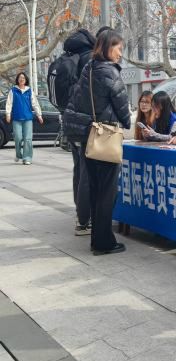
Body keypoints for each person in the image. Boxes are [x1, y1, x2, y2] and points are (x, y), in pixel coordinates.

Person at [63, 28, 131, 255]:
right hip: (105, 138)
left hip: (88, 137)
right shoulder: (110, 71)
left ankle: (96, 240)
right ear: (108, 47)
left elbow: (77, 100)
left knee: (94, 189)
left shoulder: (88, 69)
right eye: (119, 48)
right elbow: (122, 106)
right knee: (107, 192)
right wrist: (126, 122)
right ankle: (104, 242)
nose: (120, 53)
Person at [63, 28, 97, 236]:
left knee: (79, 170)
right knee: (87, 172)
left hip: (70, 121)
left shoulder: (70, 57)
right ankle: (84, 220)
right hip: (85, 124)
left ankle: (80, 213)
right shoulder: (89, 59)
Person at [5, 72, 44, 165]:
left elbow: (35, 104)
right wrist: (8, 114)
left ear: (26, 80)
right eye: (20, 78)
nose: (21, 79)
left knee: (28, 139)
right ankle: (18, 154)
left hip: (27, 119)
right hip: (16, 118)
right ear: (17, 80)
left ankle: (27, 158)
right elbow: (9, 103)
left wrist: (39, 115)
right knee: (18, 138)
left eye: (23, 78)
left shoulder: (29, 91)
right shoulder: (13, 91)